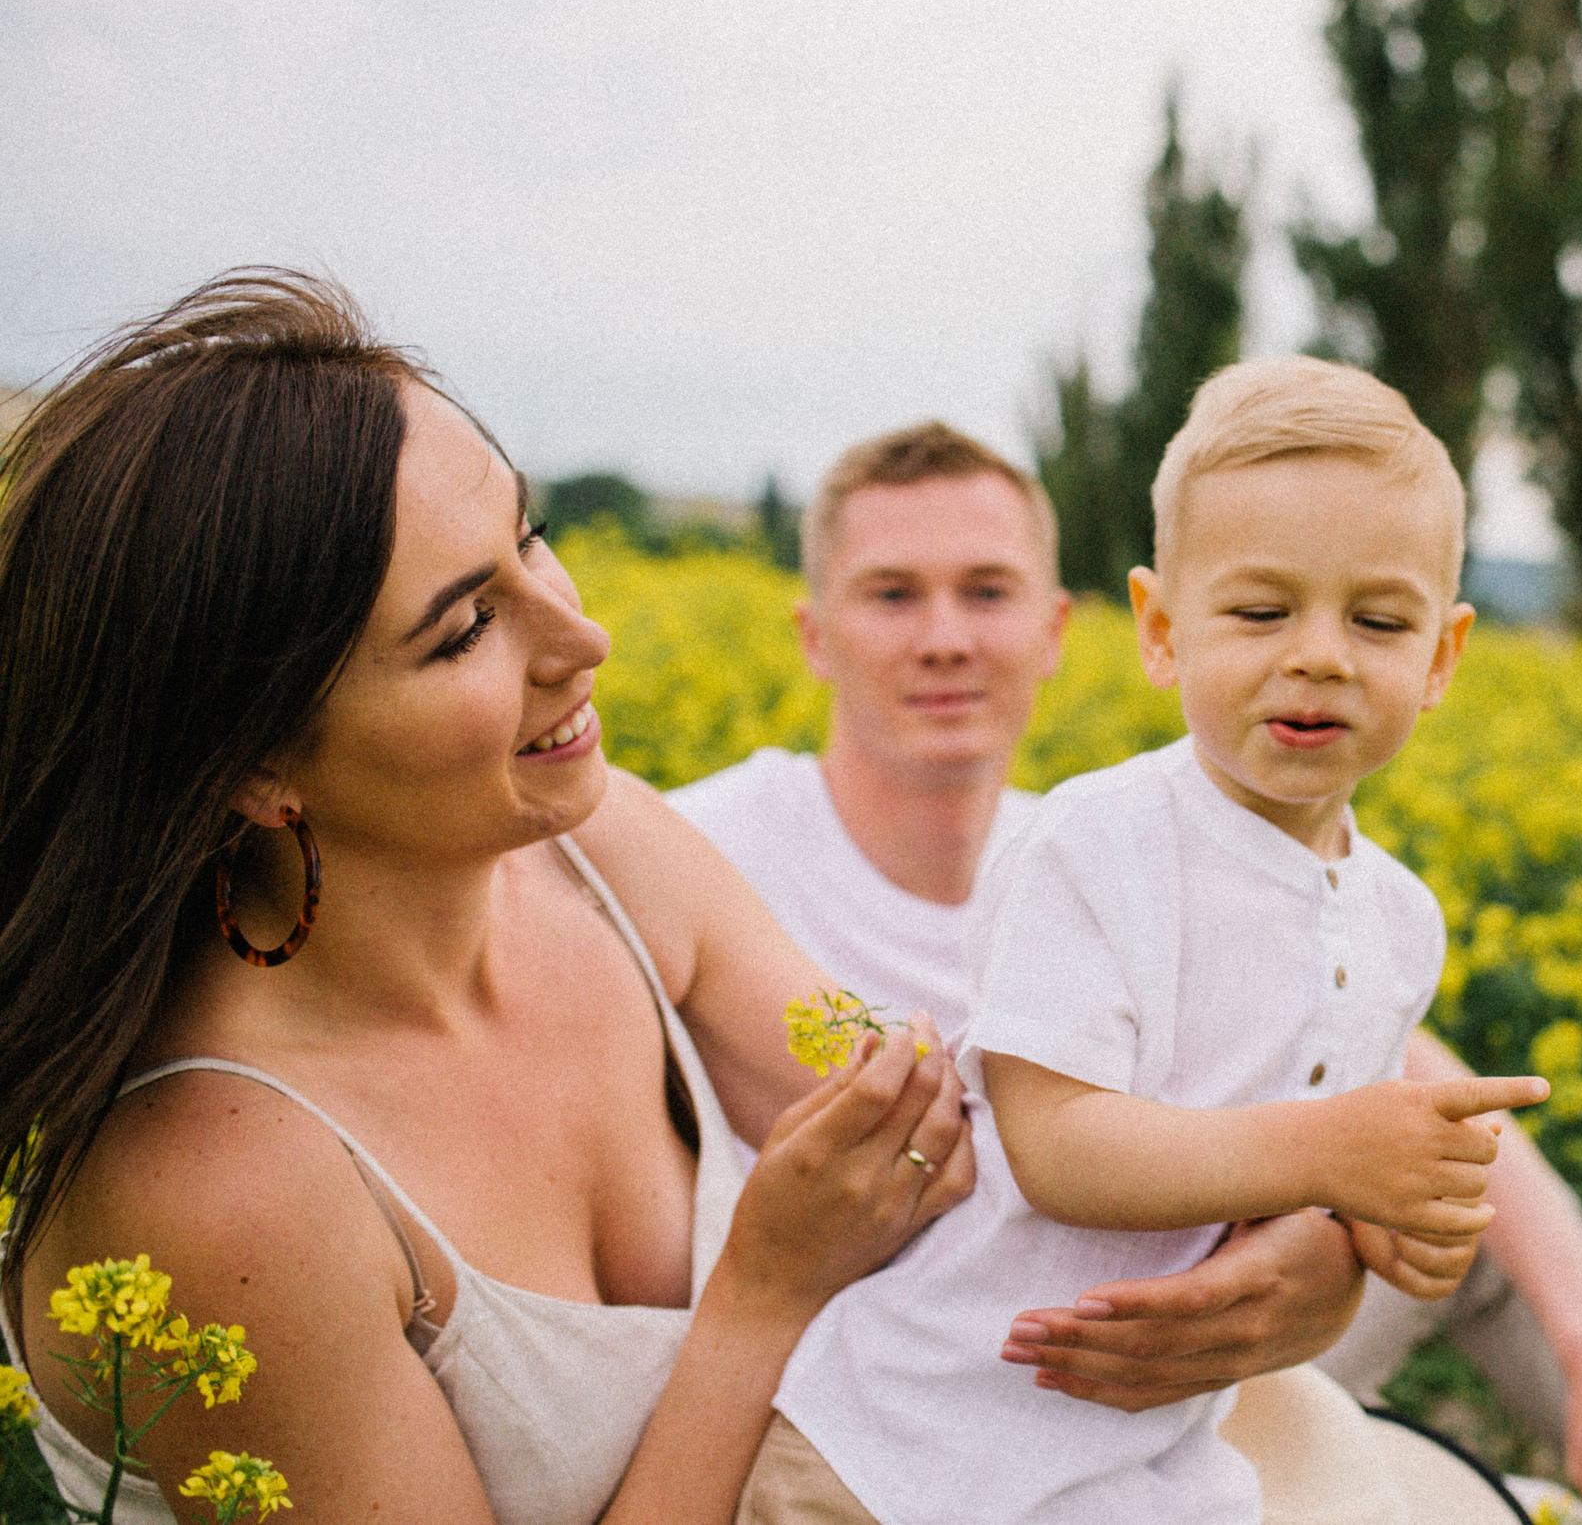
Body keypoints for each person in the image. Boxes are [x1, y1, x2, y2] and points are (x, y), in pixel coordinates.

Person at [0, 271, 1332, 1525]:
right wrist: (763, 1287)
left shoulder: (602, 853)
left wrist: (1302, 1248)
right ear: (256, 764)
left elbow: (952, 1158)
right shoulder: (213, 1191)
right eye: (465, 626)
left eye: (532, 537)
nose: (584, 639)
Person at [673, 420, 1582, 1525]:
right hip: (912, 1410)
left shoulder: (1204, 856)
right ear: (811, 634)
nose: (945, 637)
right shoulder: (708, 849)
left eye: (988, 592)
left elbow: (1391, 1091)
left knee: (1465, 1214)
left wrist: (1343, 1259)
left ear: (1059, 629)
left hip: (1148, 1413)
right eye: (893, 594)